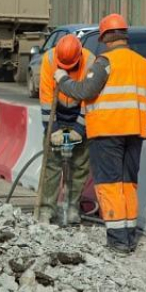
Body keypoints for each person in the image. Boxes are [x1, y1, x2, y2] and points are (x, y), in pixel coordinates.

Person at [56, 13, 146, 254]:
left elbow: (84, 91)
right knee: (128, 184)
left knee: (110, 185)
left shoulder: (105, 63)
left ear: (104, 37)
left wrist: (61, 79)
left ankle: (117, 240)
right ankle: (129, 236)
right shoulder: (144, 64)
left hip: (106, 132)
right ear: (125, 35)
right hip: (134, 132)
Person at [39, 34, 94, 225]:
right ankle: (46, 210)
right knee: (52, 165)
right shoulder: (49, 59)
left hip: (79, 112)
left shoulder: (90, 61)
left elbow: (90, 100)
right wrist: (52, 128)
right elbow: (46, 98)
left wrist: (79, 128)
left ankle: (72, 208)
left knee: (79, 165)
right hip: (58, 113)